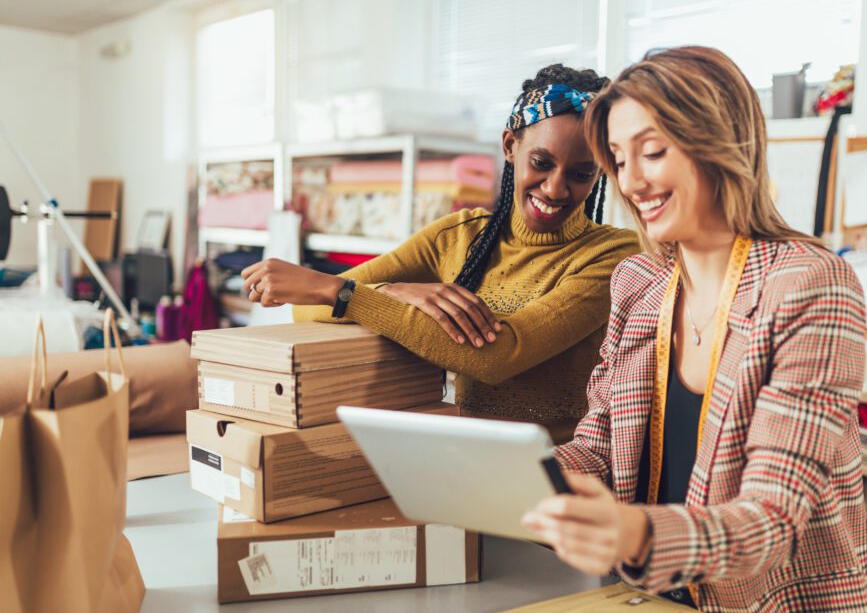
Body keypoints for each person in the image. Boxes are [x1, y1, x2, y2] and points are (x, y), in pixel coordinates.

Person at [521, 47, 867, 613]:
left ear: (718, 141)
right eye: (620, 160)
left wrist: (632, 534)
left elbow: (772, 520)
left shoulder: (809, 284)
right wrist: (527, 474)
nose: (632, 182)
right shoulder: (639, 282)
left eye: (653, 152)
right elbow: (599, 446)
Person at [241, 65, 639, 443]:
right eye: (541, 162)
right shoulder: (459, 235)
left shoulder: (614, 256)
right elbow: (307, 307)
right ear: (510, 146)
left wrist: (349, 294)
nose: (555, 189)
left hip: (560, 479)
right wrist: (393, 290)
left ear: (600, 172)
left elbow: (500, 355)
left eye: (581, 174)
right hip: (460, 466)